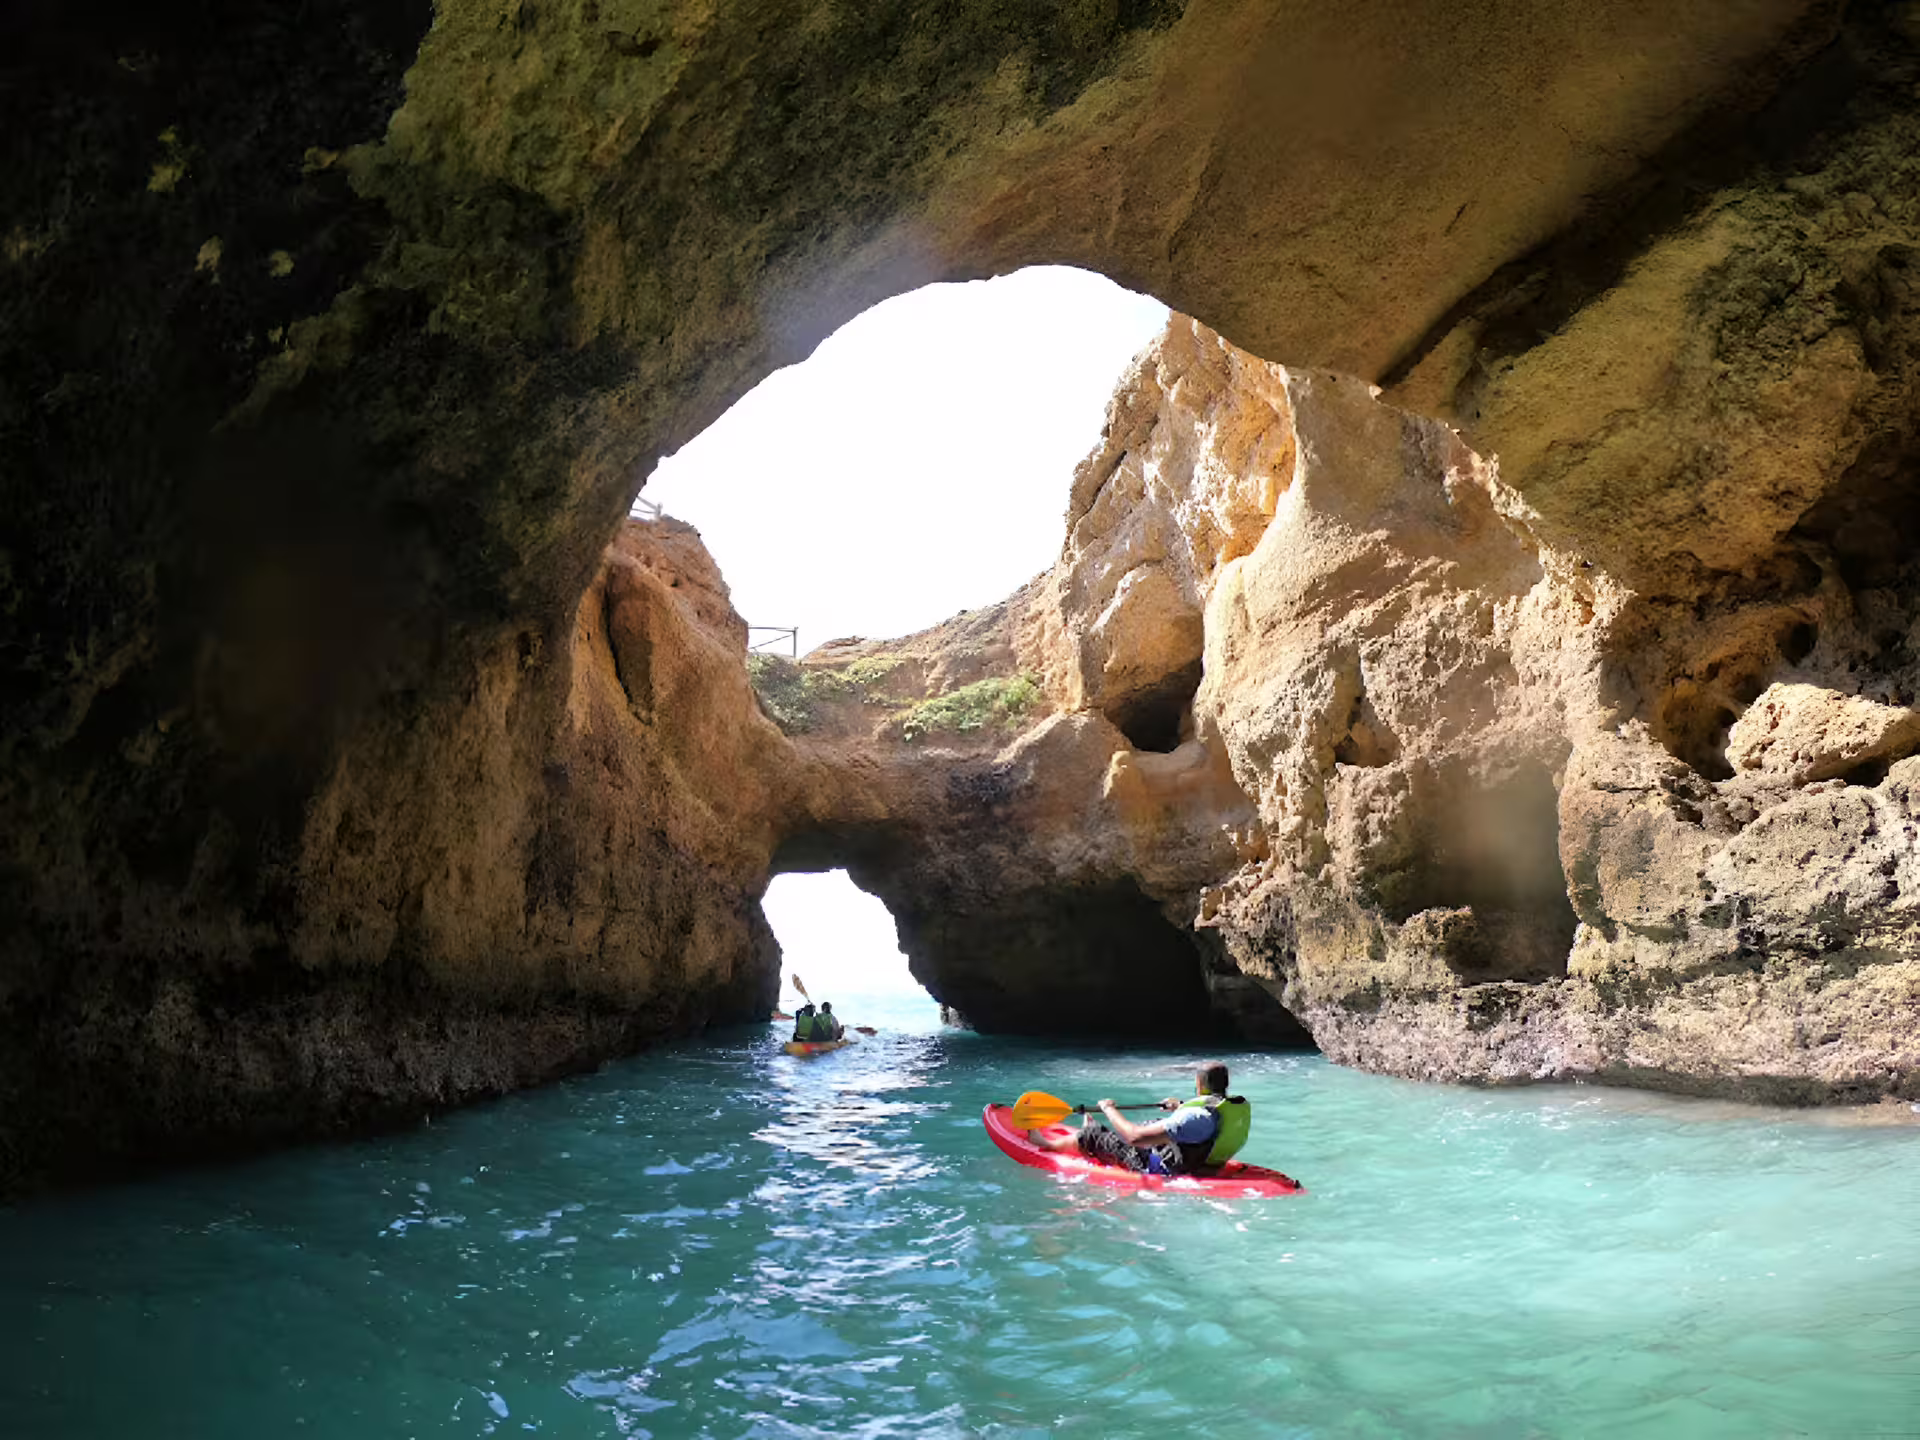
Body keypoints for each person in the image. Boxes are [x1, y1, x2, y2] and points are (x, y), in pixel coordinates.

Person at [1032, 1061, 1251, 1175]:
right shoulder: (1230, 1106)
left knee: (1095, 1134)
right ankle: (1096, 1139)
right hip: (1207, 1165)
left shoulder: (1194, 1117)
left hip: (1166, 1170)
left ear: (1199, 1084)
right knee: (1151, 1125)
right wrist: (1181, 1106)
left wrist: (1108, 1109)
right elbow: (1206, 1122)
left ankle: (1050, 1143)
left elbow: (1133, 1138)